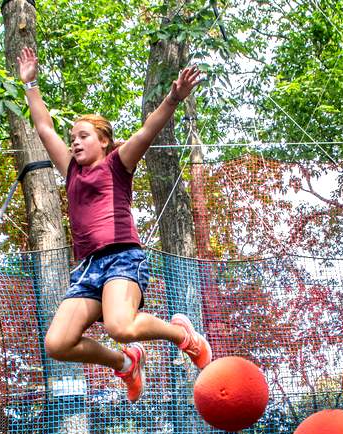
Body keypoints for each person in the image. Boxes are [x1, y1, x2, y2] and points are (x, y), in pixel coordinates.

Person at [16, 47, 211, 402]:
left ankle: (182, 334)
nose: (74, 141)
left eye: (84, 136)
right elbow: (44, 128)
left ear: (103, 141)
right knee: (57, 343)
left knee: (120, 325)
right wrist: (30, 83)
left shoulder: (117, 165)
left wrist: (173, 97)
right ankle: (125, 363)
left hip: (123, 258)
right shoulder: (71, 170)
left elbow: (147, 132)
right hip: (89, 268)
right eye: (73, 137)